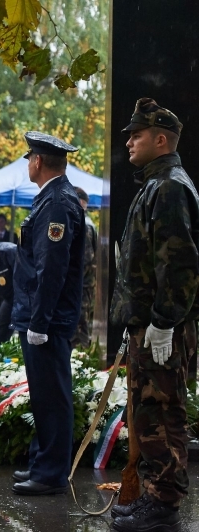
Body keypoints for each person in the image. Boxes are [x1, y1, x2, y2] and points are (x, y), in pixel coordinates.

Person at [109, 98, 199, 532]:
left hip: (162, 328)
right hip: (148, 326)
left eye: (136, 134)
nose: (128, 141)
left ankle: (163, 505)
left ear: (160, 140)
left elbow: (179, 263)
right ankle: (153, 496)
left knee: (162, 413)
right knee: (147, 414)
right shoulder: (155, 185)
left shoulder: (169, 188)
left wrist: (164, 322)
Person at [11, 131, 85, 496]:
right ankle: (43, 463)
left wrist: (39, 322)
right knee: (44, 395)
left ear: (38, 162)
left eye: (29, 158)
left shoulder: (57, 204)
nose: (28, 163)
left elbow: (51, 270)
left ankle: (51, 474)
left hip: (48, 321)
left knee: (52, 396)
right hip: (42, 317)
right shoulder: (51, 200)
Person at [71, 187, 97, 350]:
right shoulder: (83, 222)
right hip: (82, 283)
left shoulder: (84, 226)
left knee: (80, 324)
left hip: (82, 284)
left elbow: (86, 259)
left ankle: (81, 361)